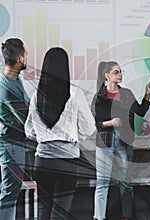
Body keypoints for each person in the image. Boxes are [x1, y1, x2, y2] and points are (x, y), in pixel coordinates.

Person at [24, 47, 96, 220]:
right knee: (60, 213)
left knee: (43, 210)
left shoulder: (36, 95)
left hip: (42, 160)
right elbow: (89, 128)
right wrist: (74, 134)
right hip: (68, 161)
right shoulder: (75, 93)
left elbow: (29, 131)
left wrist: (44, 137)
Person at [93, 61, 150, 220]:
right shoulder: (99, 96)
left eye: (121, 72)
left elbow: (140, 111)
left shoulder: (126, 93)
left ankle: (127, 216)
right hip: (105, 142)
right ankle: (99, 217)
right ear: (107, 75)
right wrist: (110, 123)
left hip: (123, 142)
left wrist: (148, 93)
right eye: (116, 72)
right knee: (102, 183)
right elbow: (96, 123)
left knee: (125, 184)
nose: (120, 75)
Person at [0, 38, 30, 220]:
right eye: (26, 55)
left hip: (14, 142)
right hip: (11, 144)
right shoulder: (8, 86)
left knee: (11, 191)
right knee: (10, 192)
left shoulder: (14, 80)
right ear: (20, 58)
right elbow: (26, 118)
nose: (27, 58)